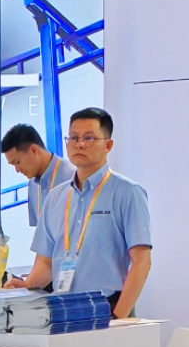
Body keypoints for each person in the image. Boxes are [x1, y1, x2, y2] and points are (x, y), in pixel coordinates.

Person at [19, 107, 154, 317]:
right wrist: (24, 288)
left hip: (108, 307)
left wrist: (118, 316)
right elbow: (45, 263)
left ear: (107, 145)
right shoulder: (55, 198)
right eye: (74, 138)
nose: (79, 144)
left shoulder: (127, 192)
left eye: (89, 138)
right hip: (62, 309)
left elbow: (141, 262)